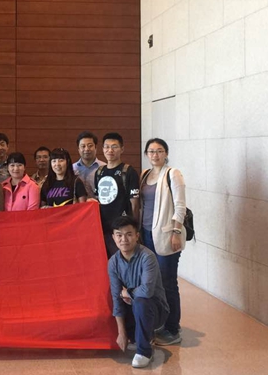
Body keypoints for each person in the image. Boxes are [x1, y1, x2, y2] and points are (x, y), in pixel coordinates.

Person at [139, 138, 186, 346]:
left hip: (166, 235)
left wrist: (176, 231)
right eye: (151, 151)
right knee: (154, 282)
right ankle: (162, 322)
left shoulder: (172, 173)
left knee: (168, 282)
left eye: (159, 151)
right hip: (147, 234)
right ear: (146, 154)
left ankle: (173, 329)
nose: (155, 155)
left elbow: (180, 206)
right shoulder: (145, 174)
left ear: (166, 153)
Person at [108, 215, 169, 369]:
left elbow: (147, 291)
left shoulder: (147, 257)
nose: (124, 239)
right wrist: (121, 333)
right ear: (113, 237)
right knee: (110, 300)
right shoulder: (113, 262)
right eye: (119, 235)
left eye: (129, 234)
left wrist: (127, 293)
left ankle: (144, 352)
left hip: (155, 309)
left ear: (137, 236)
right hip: (132, 307)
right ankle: (139, 336)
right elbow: (116, 297)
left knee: (141, 302)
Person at [94, 132, 140, 257]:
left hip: (122, 230)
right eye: (107, 147)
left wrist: (135, 229)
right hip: (103, 229)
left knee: (124, 261)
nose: (110, 150)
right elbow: (98, 200)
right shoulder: (99, 172)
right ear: (102, 149)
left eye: (114, 147)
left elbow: (135, 204)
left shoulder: (128, 172)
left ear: (122, 149)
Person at [73, 131, 105, 200]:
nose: (87, 149)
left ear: (95, 147)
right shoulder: (72, 169)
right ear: (78, 149)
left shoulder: (104, 168)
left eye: (90, 146)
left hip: (99, 205)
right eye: (83, 146)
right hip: (78, 206)